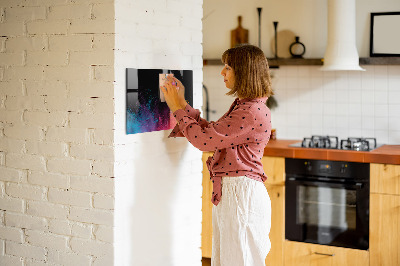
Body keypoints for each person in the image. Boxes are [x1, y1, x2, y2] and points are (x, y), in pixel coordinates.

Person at [161, 44, 273, 266]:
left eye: (228, 67)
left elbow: (204, 141)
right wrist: (182, 104)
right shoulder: (246, 106)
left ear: (244, 72)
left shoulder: (250, 111)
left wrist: (176, 108)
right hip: (236, 193)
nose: (222, 72)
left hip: (241, 195)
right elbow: (212, 133)